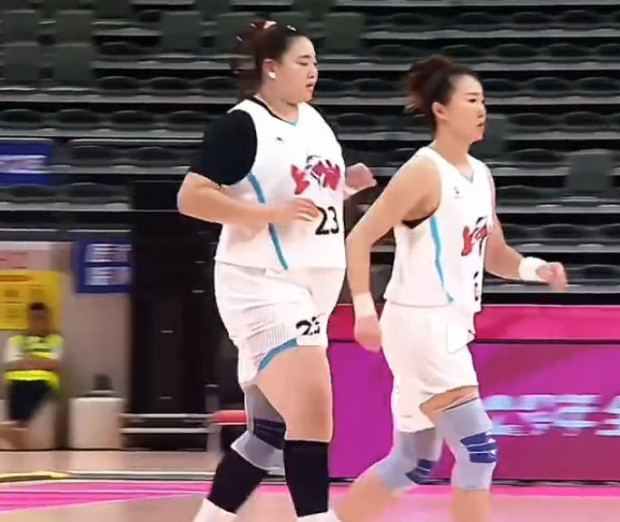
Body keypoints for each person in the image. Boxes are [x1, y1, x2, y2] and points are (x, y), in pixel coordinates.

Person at [333, 55, 568, 522]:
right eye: (472, 100)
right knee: (478, 451)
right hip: (421, 323)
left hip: (447, 327)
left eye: (484, 101)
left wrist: (537, 268)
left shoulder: (480, 175)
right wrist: (363, 310)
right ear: (441, 110)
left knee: (412, 462)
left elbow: (495, 254)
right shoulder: (424, 171)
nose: (482, 109)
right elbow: (359, 238)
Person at [177, 20, 376, 522]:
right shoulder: (241, 126)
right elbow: (191, 197)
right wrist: (267, 213)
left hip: (309, 289)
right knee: (313, 412)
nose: (314, 71)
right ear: (271, 68)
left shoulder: (315, 122)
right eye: (303, 62)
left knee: (267, 435)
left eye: (315, 62)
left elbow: (308, 197)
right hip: (262, 282)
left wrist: (346, 188)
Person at [1, 302, 63, 450]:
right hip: (17, 379)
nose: (37, 322)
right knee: (18, 389)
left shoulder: (55, 340)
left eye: (41, 318)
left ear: (47, 320)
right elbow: (10, 363)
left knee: (34, 387)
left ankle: (13, 428)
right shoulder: (16, 340)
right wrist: (40, 362)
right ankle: (17, 429)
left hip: (43, 380)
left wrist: (29, 361)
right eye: (33, 318)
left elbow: (56, 363)